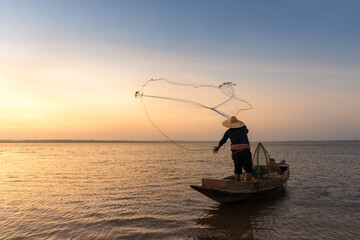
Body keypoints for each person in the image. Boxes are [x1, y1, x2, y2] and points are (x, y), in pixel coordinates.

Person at [213, 116, 253, 181]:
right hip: (245, 152)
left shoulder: (228, 132)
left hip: (235, 153)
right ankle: (245, 186)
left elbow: (223, 140)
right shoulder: (243, 128)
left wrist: (217, 147)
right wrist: (244, 126)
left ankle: (236, 186)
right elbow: (247, 131)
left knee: (237, 171)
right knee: (248, 171)